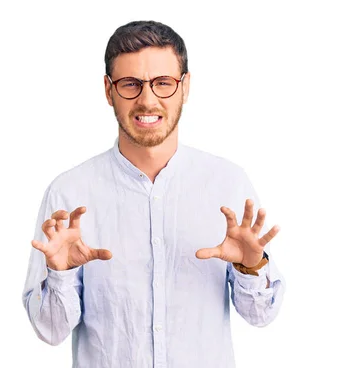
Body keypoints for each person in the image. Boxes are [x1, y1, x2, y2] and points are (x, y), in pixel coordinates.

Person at [21, 20, 286, 368]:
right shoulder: (69, 194)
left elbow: (261, 316)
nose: (148, 100)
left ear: (185, 87)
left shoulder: (228, 184)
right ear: (108, 89)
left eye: (163, 83)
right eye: (131, 84)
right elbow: (51, 330)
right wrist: (60, 274)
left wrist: (252, 267)